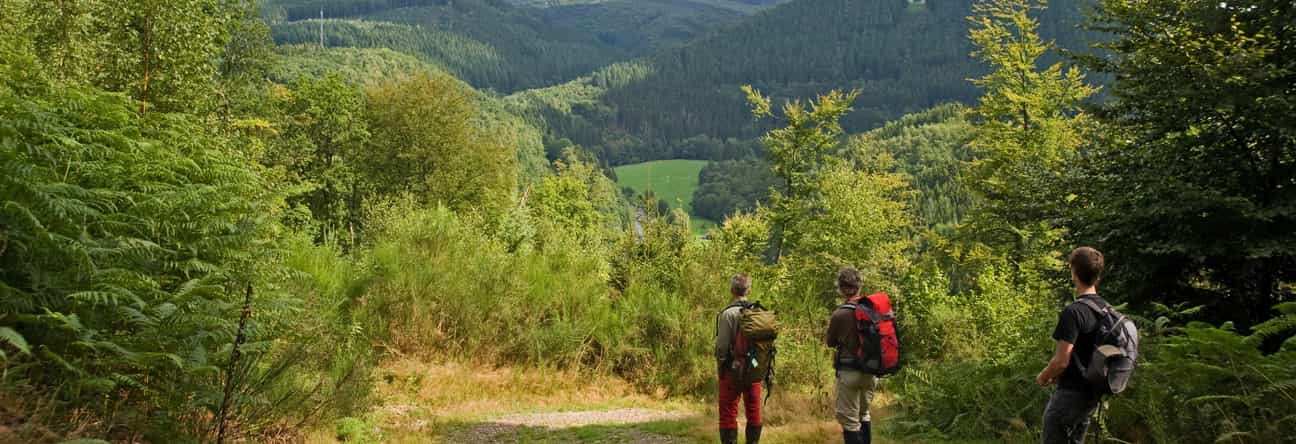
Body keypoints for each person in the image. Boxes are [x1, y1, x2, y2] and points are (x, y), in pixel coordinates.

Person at [1036, 247, 1108, 444]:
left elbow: (1061, 361)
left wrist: (1043, 377)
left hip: (1069, 396)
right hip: (1090, 396)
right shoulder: (1106, 310)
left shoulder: (1074, 312)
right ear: (1097, 275)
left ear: (1074, 272)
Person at [826, 268, 876, 444]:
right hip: (871, 369)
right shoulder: (873, 309)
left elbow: (830, 342)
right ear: (859, 286)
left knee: (850, 421)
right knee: (864, 413)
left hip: (849, 371)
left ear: (841, 288)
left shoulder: (839, 314)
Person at [715, 274, 762, 444]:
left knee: (728, 413)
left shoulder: (727, 314)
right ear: (748, 290)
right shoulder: (758, 312)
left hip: (731, 369)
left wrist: (721, 366)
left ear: (732, 290)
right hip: (755, 368)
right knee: (754, 411)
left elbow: (722, 347)